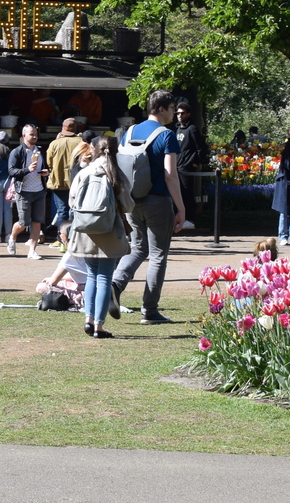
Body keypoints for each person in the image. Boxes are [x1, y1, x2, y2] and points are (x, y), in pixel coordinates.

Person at [111, 89, 186, 323]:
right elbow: (170, 175)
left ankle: (115, 284)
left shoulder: (130, 131)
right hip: (158, 200)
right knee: (158, 255)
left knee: (136, 249)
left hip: (132, 201)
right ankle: (150, 310)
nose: (174, 113)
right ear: (161, 109)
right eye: (172, 109)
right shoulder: (167, 135)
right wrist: (181, 208)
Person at [67, 136, 133, 338]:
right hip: (109, 229)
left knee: (91, 275)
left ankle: (88, 319)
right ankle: (99, 326)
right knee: (105, 277)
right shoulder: (116, 175)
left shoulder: (84, 172)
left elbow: (72, 201)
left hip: (85, 230)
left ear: (94, 150)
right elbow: (128, 205)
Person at [7, 123, 48, 259]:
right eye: (32, 134)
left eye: (36, 134)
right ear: (24, 135)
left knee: (37, 222)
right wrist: (27, 170)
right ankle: (12, 237)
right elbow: (11, 171)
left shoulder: (40, 151)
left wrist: (46, 172)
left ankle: (32, 251)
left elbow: (46, 166)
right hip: (24, 191)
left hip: (39, 190)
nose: (35, 137)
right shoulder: (17, 152)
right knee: (23, 223)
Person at [45, 116, 83, 245]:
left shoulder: (55, 143)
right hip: (77, 182)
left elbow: (49, 162)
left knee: (62, 211)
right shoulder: (81, 142)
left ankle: (61, 240)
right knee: (74, 210)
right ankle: (73, 239)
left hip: (58, 181)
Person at [173, 101, 209, 233]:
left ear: (188, 114)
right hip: (178, 166)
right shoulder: (178, 129)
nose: (180, 115)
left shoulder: (192, 129)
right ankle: (181, 218)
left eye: (182, 113)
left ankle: (190, 219)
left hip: (187, 167)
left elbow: (201, 147)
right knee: (179, 193)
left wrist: (196, 162)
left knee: (187, 193)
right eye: (178, 113)